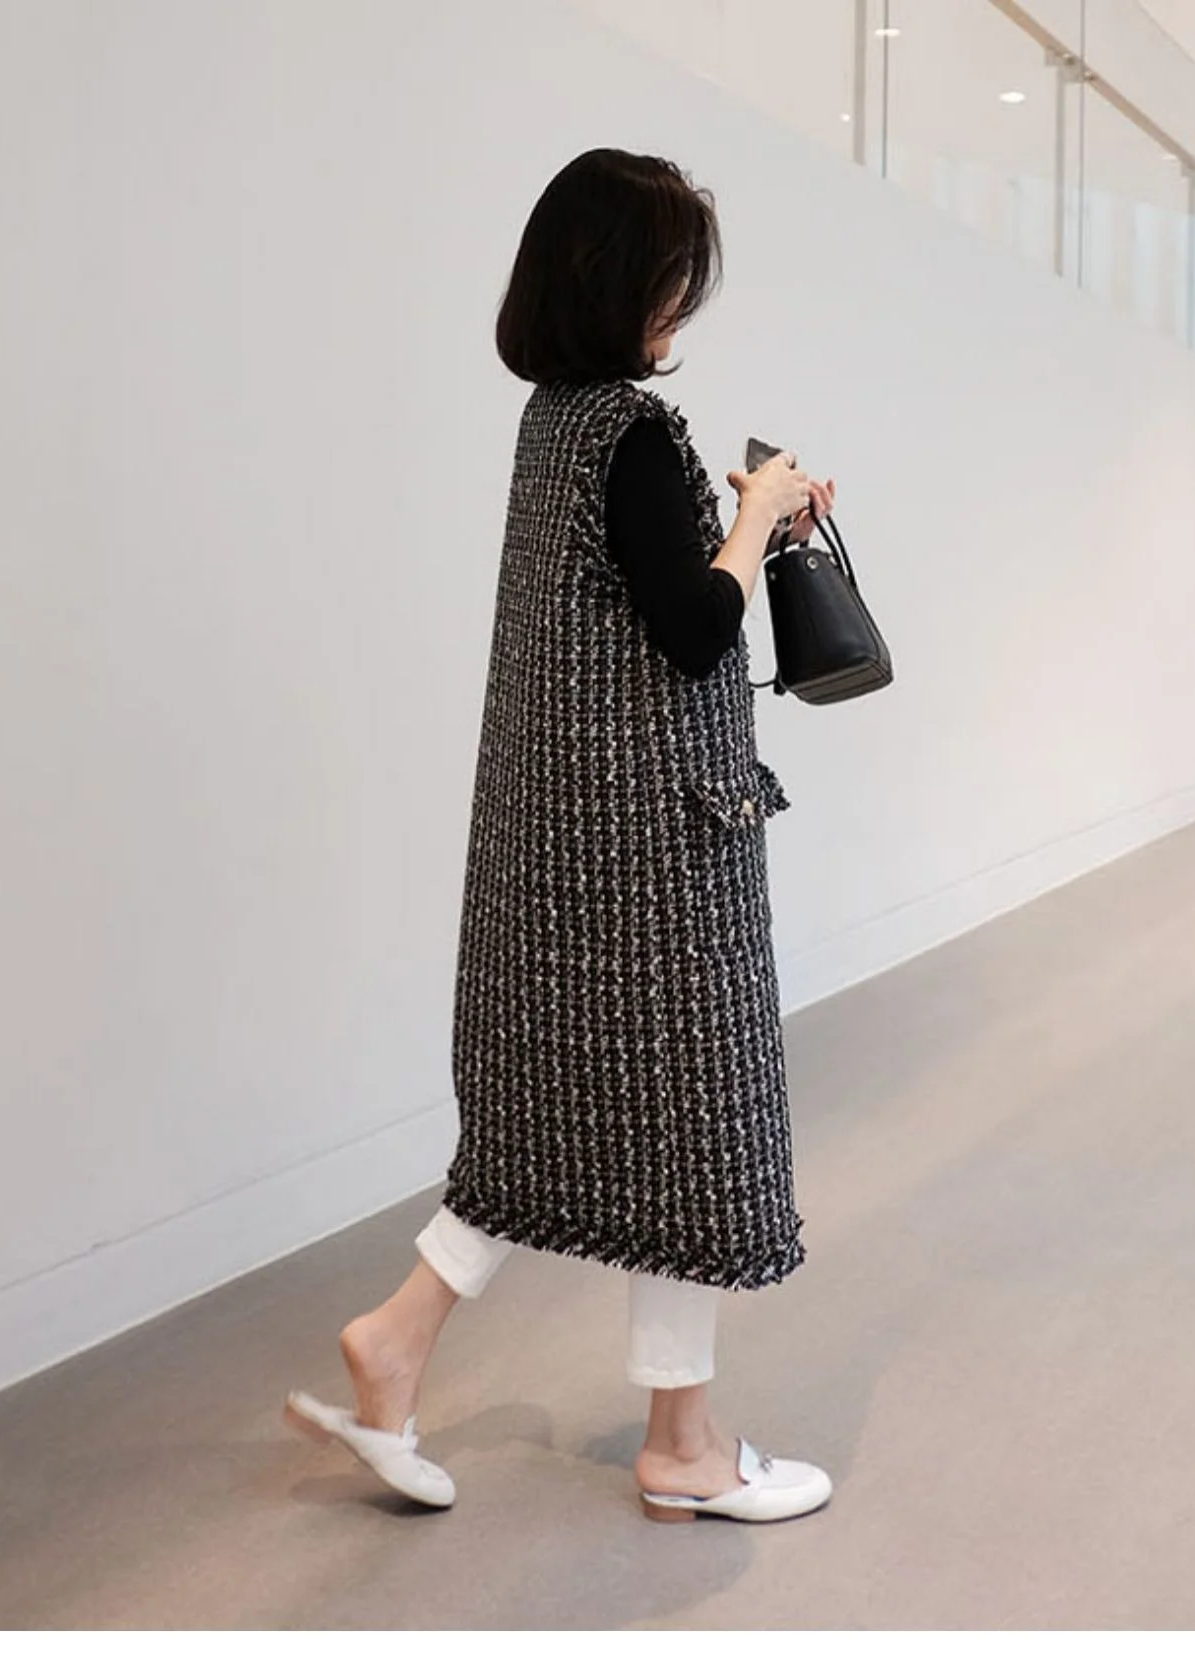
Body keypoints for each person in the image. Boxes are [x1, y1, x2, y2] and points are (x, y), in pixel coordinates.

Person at [287, 148, 837, 1525]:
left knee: (560, 1118)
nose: (680, 307)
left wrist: (746, 526)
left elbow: (635, 603)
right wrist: (759, 513)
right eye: (671, 280)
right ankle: (685, 1450)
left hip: (563, 839)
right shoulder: (633, 433)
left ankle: (398, 1342)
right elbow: (692, 627)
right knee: (700, 1122)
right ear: (621, 282)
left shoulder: (555, 422)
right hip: (658, 845)